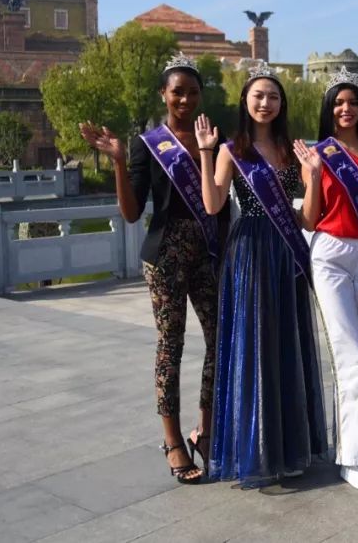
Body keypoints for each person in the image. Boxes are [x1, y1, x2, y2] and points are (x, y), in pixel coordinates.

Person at [80, 53, 228, 485]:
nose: (185, 99)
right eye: (177, 91)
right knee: (171, 346)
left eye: (193, 92)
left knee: (220, 339)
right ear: (164, 93)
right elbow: (131, 214)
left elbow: (220, 204)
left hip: (207, 252)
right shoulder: (148, 144)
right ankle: (172, 440)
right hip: (165, 256)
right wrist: (119, 161)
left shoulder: (212, 138)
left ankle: (206, 430)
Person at [196, 60, 328, 486]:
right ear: (245, 100)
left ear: (281, 104)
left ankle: (287, 446)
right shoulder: (232, 150)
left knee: (285, 343)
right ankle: (255, 449)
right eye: (258, 95)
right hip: (249, 252)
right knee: (253, 343)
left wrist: (314, 177)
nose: (265, 103)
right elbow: (213, 204)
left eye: (273, 96)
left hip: (285, 250)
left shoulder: (292, 149)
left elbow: (308, 219)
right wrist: (205, 152)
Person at [293, 68, 358, 492]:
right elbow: (310, 218)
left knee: (356, 355)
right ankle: (354, 460)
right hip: (331, 255)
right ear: (329, 109)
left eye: (353, 102)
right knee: (350, 357)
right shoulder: (317, 153)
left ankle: (352, 446)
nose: (346, 109)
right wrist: (315, 175)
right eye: (338, 103)